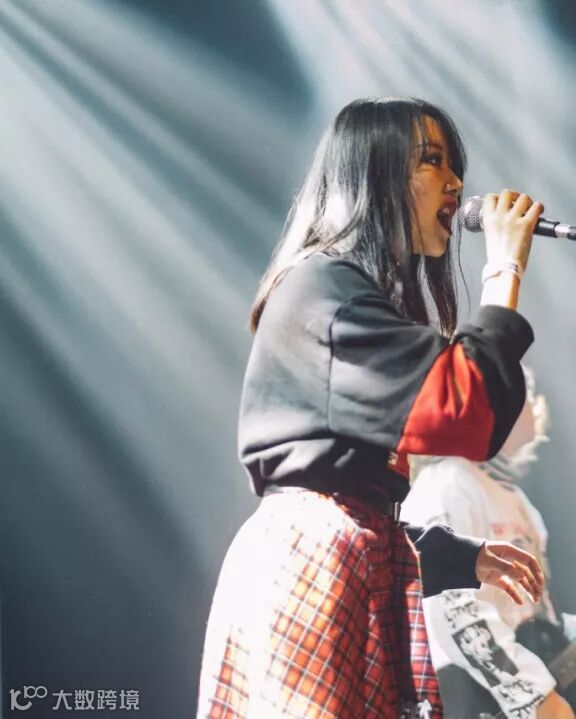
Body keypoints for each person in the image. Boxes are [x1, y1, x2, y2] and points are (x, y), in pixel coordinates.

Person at [197, 97, 549, 719]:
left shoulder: (347, 294)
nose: (456, 182)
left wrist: (457, 556)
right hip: (315, 564)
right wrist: (504, 271)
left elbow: (356, 481)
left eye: (454, 165)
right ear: (374, 172)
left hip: (343, 557)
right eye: (432, 160)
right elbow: (464, 410)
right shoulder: (324, 287)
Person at [402, 370, 576, 719]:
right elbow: (453, 613)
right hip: (473, 701)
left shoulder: (520, 504)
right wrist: (533, 696)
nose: (533, 400)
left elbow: (536, 617)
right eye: (523, 389)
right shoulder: (446, 485)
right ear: (486, 404)